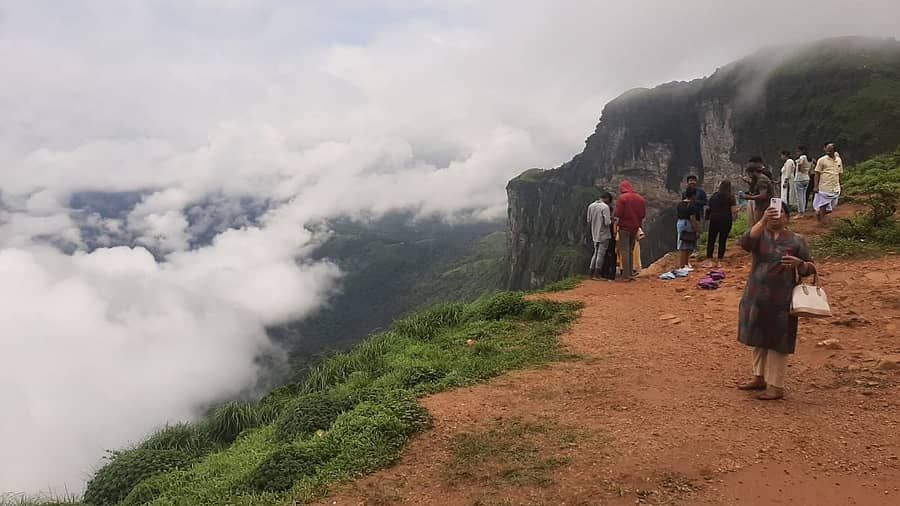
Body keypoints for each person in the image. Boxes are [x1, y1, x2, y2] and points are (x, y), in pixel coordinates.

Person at [737, 203, 816, 400]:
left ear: (787, 217)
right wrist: (762, 220)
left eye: (779, 214)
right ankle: (759, 377)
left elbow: (810, 267)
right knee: (758, 336)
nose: (775, 217)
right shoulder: (759, 235)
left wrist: (800, 264)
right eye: (771, 214)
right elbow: (745, 242)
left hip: (782, 298)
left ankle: (776, 385)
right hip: (756, 295)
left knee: (778, 340)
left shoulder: (797, 241)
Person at [613, 180, 646, 281]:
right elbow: (643, 215)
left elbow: (618, 213)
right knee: (631, 250)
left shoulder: (622, 198)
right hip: (635, 227)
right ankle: (631, 273)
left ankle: (625, 275)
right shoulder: (640, 199)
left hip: (624, 227)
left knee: (624, 250)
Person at [703, 180, 738, 268]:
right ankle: (719, 261)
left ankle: (709, 260)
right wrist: (739, 209)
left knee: (711, 239)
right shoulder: (731, 197)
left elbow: (708, 207)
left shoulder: (714, 196)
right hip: (726, 219)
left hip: (714, 219)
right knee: (722, 240)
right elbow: (733, 211)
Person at [813, 142, 843, 224]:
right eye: (827, 149)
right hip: (824, 186)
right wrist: (815, 186)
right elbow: (817, 173)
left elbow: (840, 173)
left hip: (835, 187)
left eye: (830, 150)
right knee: (823, 204)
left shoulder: (839, 160)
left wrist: (841, 184)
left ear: (834, 151)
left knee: (832, 206)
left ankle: (819, 214)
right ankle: (822, 221)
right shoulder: (822, 160)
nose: (828, 151)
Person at [587, 192, 612, 280]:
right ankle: (597, 274)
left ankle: (590, 273)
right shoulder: (605, 207)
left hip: (594, 233)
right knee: (601, 254)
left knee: (595, 253)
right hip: (603, 234)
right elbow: (607, 222)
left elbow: (589, 220)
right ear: (607, 199)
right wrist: (612, 219)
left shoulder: (591, 206)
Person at [676, 188, 702, 269]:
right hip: (687, 224)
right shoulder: (692, 205)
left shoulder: (680, 204)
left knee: (686, 244)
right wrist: (697, 230)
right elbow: (692, 219)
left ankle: (686, 264)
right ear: (694, 195)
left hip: (680, 223)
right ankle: (683, 265)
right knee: (685, 245)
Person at [743, 156, 773, 225]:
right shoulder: (759, 178)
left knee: (761, 225)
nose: (749, 176)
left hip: (764, 207)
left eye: (749, 174)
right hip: (761, 205)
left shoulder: (762, 179)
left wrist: (748, 197)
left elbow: (763, 195)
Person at [794, 145, 813, 214]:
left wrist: (800, 170)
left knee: (799, 196)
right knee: (804, 196)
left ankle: (800, 212)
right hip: (806, 178)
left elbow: (800, 164)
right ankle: (804, 210)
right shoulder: (810, 159)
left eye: (798, 151)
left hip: (799, 178)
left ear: (801, 151)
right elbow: (811, 170)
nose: (797, 153)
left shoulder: (802, 157)